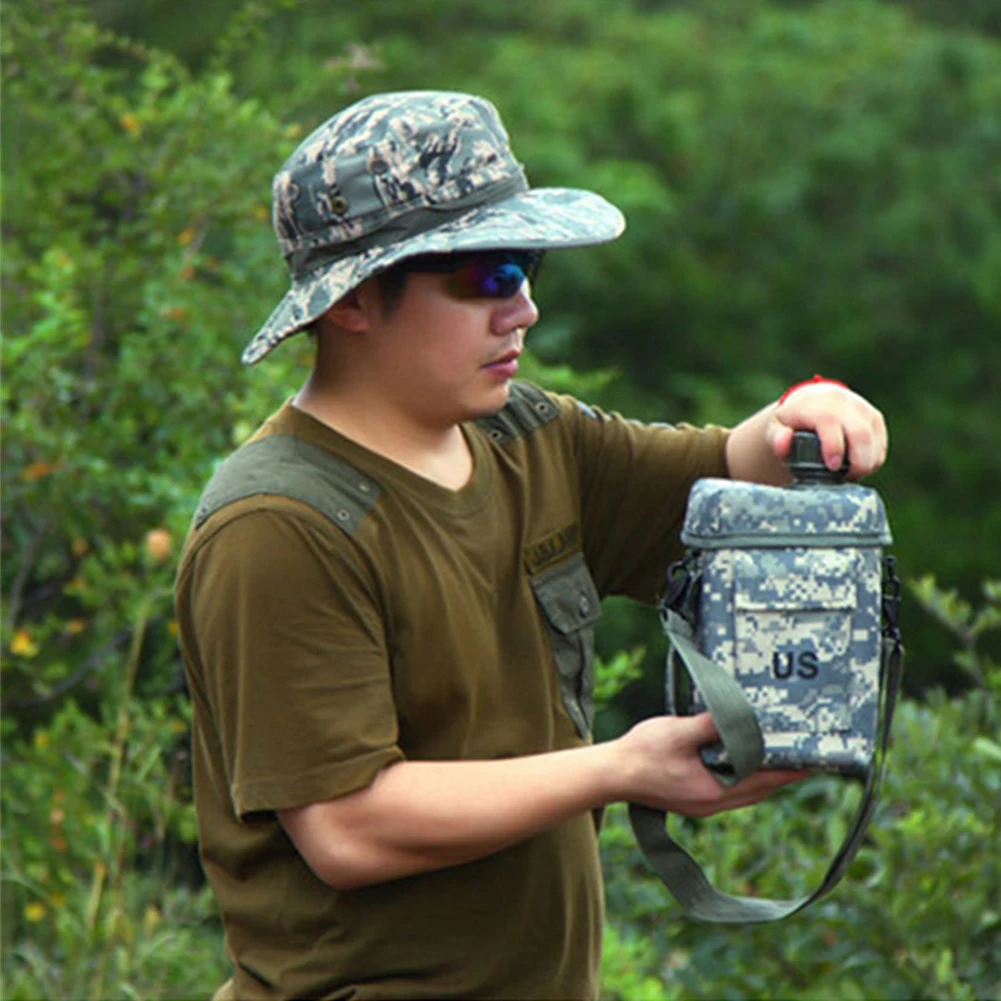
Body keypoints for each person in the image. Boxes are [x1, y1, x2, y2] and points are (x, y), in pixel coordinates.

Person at [174, 90, 888, 1001]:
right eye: (483, 276)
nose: (520, 311)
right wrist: (624, 767)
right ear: (352, 301)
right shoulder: (278, 526)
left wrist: (807, 414)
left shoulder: (525, 434)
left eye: (527, 268)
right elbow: (349, 829)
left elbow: (723, 472)